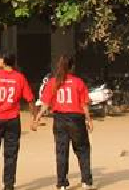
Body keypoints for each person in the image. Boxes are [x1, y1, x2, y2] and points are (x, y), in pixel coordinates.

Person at [31, 55, 97, 190]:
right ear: (72, 67)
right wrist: (89, 119)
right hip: (76, 119)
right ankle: (86, 182)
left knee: (61, 151)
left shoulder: (53, 82)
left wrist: (37, 118)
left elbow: (45, 104)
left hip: (59, 119)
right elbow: (84, 104)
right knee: (82, 149)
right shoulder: (78, 82)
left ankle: (61, 184)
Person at [0, 53, 34, 190]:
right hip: (12, 120)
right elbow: (30, 99)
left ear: (4, 61)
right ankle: (8, 185)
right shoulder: (20, 77)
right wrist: (33, 116)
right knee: (11, 154)